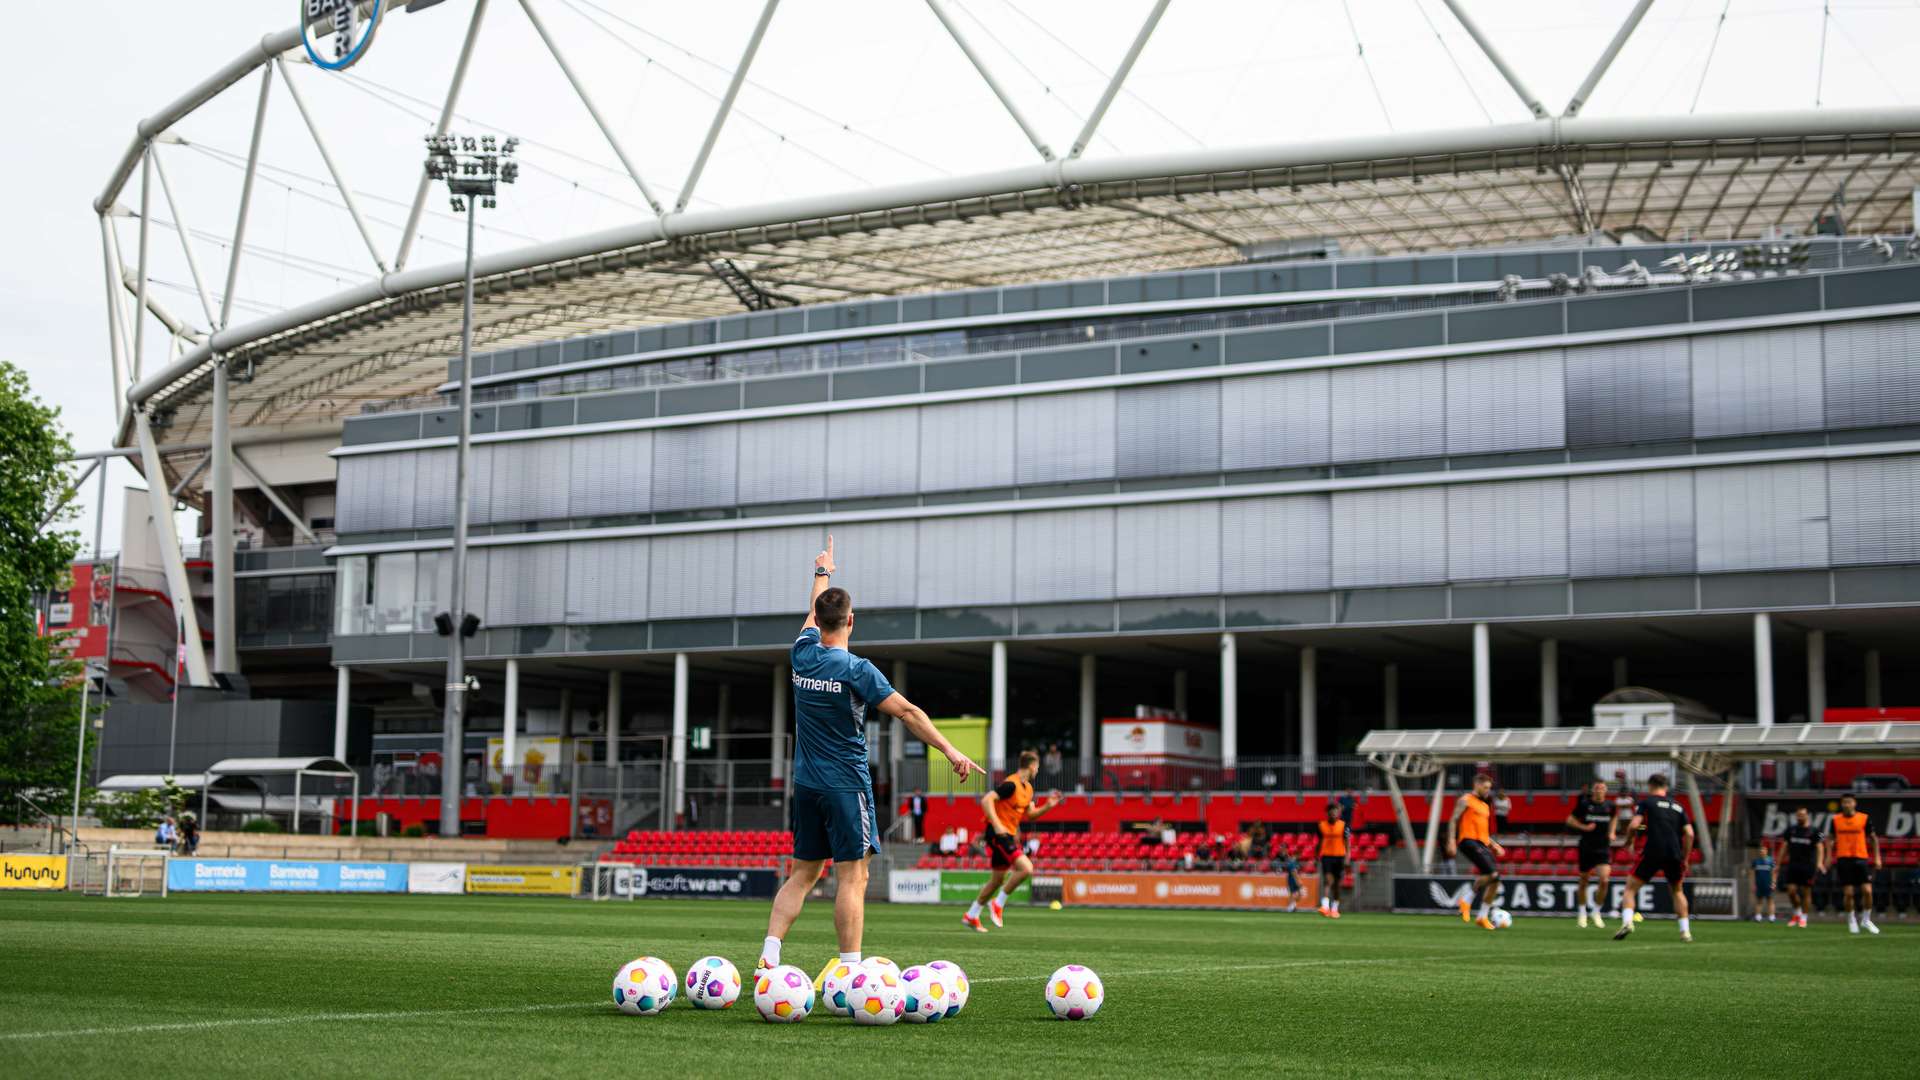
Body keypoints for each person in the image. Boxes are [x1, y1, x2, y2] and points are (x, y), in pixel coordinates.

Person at [759, 535, 979, 974]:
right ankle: (851, 970)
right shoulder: (857, 670)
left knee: (802, 874)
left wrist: (821, 571)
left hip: (805, 784)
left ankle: (769, 955)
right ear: (851, 621)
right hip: (845, 785)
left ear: (817, 622)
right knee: (853, 877)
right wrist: (951, 749)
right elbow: (909, 713)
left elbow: (815, 606)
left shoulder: (801, 654)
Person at [962, 750, 1062, 932]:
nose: (1037, 770)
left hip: (1006, 835)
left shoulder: (1028, 789)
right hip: (998, 834)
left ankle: (971, 915)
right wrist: (997, 824)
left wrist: (1048, 806)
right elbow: (987, 800)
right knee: (1026, 868)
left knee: (997, 880)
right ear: (1032, 766)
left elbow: (1030, 815)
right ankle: (998, 903)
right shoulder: (1011, 784)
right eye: (1037, 767)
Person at [1613, 773, 1694, 942]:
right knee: (1677, 891)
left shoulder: (1647, 803)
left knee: (1630, 888)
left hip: (1653, 850)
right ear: (1666, 787)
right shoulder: (1679, 806)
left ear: (1650, 786)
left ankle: (1627, 922)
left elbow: (1634, 825)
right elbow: (1690, 834)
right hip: (1674, 852)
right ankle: (1685, 932)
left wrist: (1628, 841)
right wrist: (1685, 858)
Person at [1446, 773, 1504, 930]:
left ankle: (1482, 916)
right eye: (1485, 787)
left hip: (1482, 843)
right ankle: (1466, 900)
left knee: (1495, 879)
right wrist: (1451, 840)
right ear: (1476, 785)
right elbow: (1453, 819)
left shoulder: (1485, 806)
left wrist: (1494, 845)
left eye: (1489, 788)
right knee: (1493, 874)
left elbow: (1484, 833)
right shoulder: (1465, 800)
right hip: (1468, 842)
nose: (1487, 791)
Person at [1566, 779, 1618, 929]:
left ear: (1606, 791)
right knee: (1584, 880)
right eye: (1597, 788)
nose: (1600, 790)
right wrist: (1584, 827)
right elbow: (1569, 820)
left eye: (1602, 788)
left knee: (1604, 880)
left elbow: (1614, 817)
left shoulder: (1610, 806)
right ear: (1593, 790)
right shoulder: (1584, 805)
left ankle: (1596, 912)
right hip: (1586, 847)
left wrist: (1612, 831)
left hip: (1603, 848)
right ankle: (1582, 913)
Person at [1827, 793, 1882, 935]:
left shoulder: (1864, 818)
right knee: (1849, 893)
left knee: (1867, 891)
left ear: (1854, 803)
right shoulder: (1836, 819)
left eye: (1849, 802)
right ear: (1841, 804)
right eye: (1844, 802)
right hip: (1843, 859)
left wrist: (1877, 858)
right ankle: (1851, 919)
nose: (1847, 804)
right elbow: (1830, 839)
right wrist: (1828, 857)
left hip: (1861, 858)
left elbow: (1873, 839)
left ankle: (1866, 919)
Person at [1778, 805, 1824, 927]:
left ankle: (1804, 917)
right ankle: (1797, 912)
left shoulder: (1815, 831)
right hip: (1793, 864)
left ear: (1807, 815)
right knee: (1791, 891)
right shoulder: (1791, 830)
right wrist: (1778, 863)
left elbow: (1820, 847)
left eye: (1802, 815)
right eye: (1798, 815)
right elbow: (1784, 846)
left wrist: (1819, 862)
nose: (1800, 817)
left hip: (1808, 866)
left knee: (1806, 892)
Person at [1317, 803, 1350, 918]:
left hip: (1339, 857)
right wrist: (1317, 854)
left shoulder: (1344, 826)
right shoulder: (1321, 825)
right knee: (1328, 880)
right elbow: (1319, 842)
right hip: (1326, 856)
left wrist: (1347, 857)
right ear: (1328, 814)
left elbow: (1347, 842)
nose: (1333, 815)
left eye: (1335, 813)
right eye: (1331, 813)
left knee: (1336, 885)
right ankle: (1325, 907)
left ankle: (1334, 909)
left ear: (1338, 814)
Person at [1750, 843, 1778, 923]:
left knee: (1770, 900)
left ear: (1767, 851)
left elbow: (1774, 873)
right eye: (1761, 850)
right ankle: (1758, 917)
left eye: (1764, 849)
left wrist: (1773, 883)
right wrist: (1753, 884)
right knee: (1759, 900)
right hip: (1759, 884)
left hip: (1768, 884)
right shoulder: (1755, 862)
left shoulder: (1771, 861)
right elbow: (1752, 874)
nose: (1762, 851)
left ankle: (1772, 917)